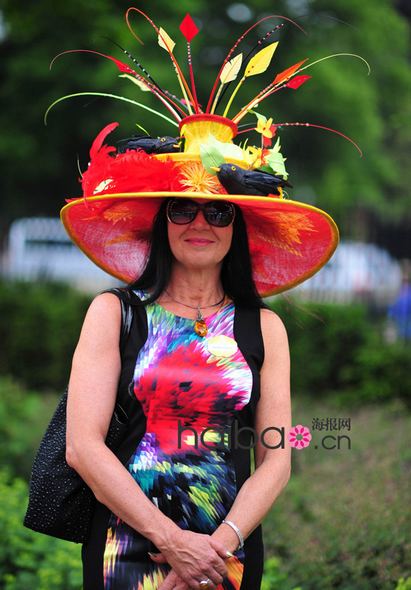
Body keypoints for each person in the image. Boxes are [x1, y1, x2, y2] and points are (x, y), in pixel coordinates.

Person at [55, 9, 344, 589]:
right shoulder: (114, 313)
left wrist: (215, 548)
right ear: (160, 222)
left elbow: (277, 455)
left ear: (238, 228)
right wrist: (170, 542)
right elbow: (83, 448)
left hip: (226, 556)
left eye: (219, 211)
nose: (200, 223)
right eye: (182, 209)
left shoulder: (265, 329)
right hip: (126, 549)